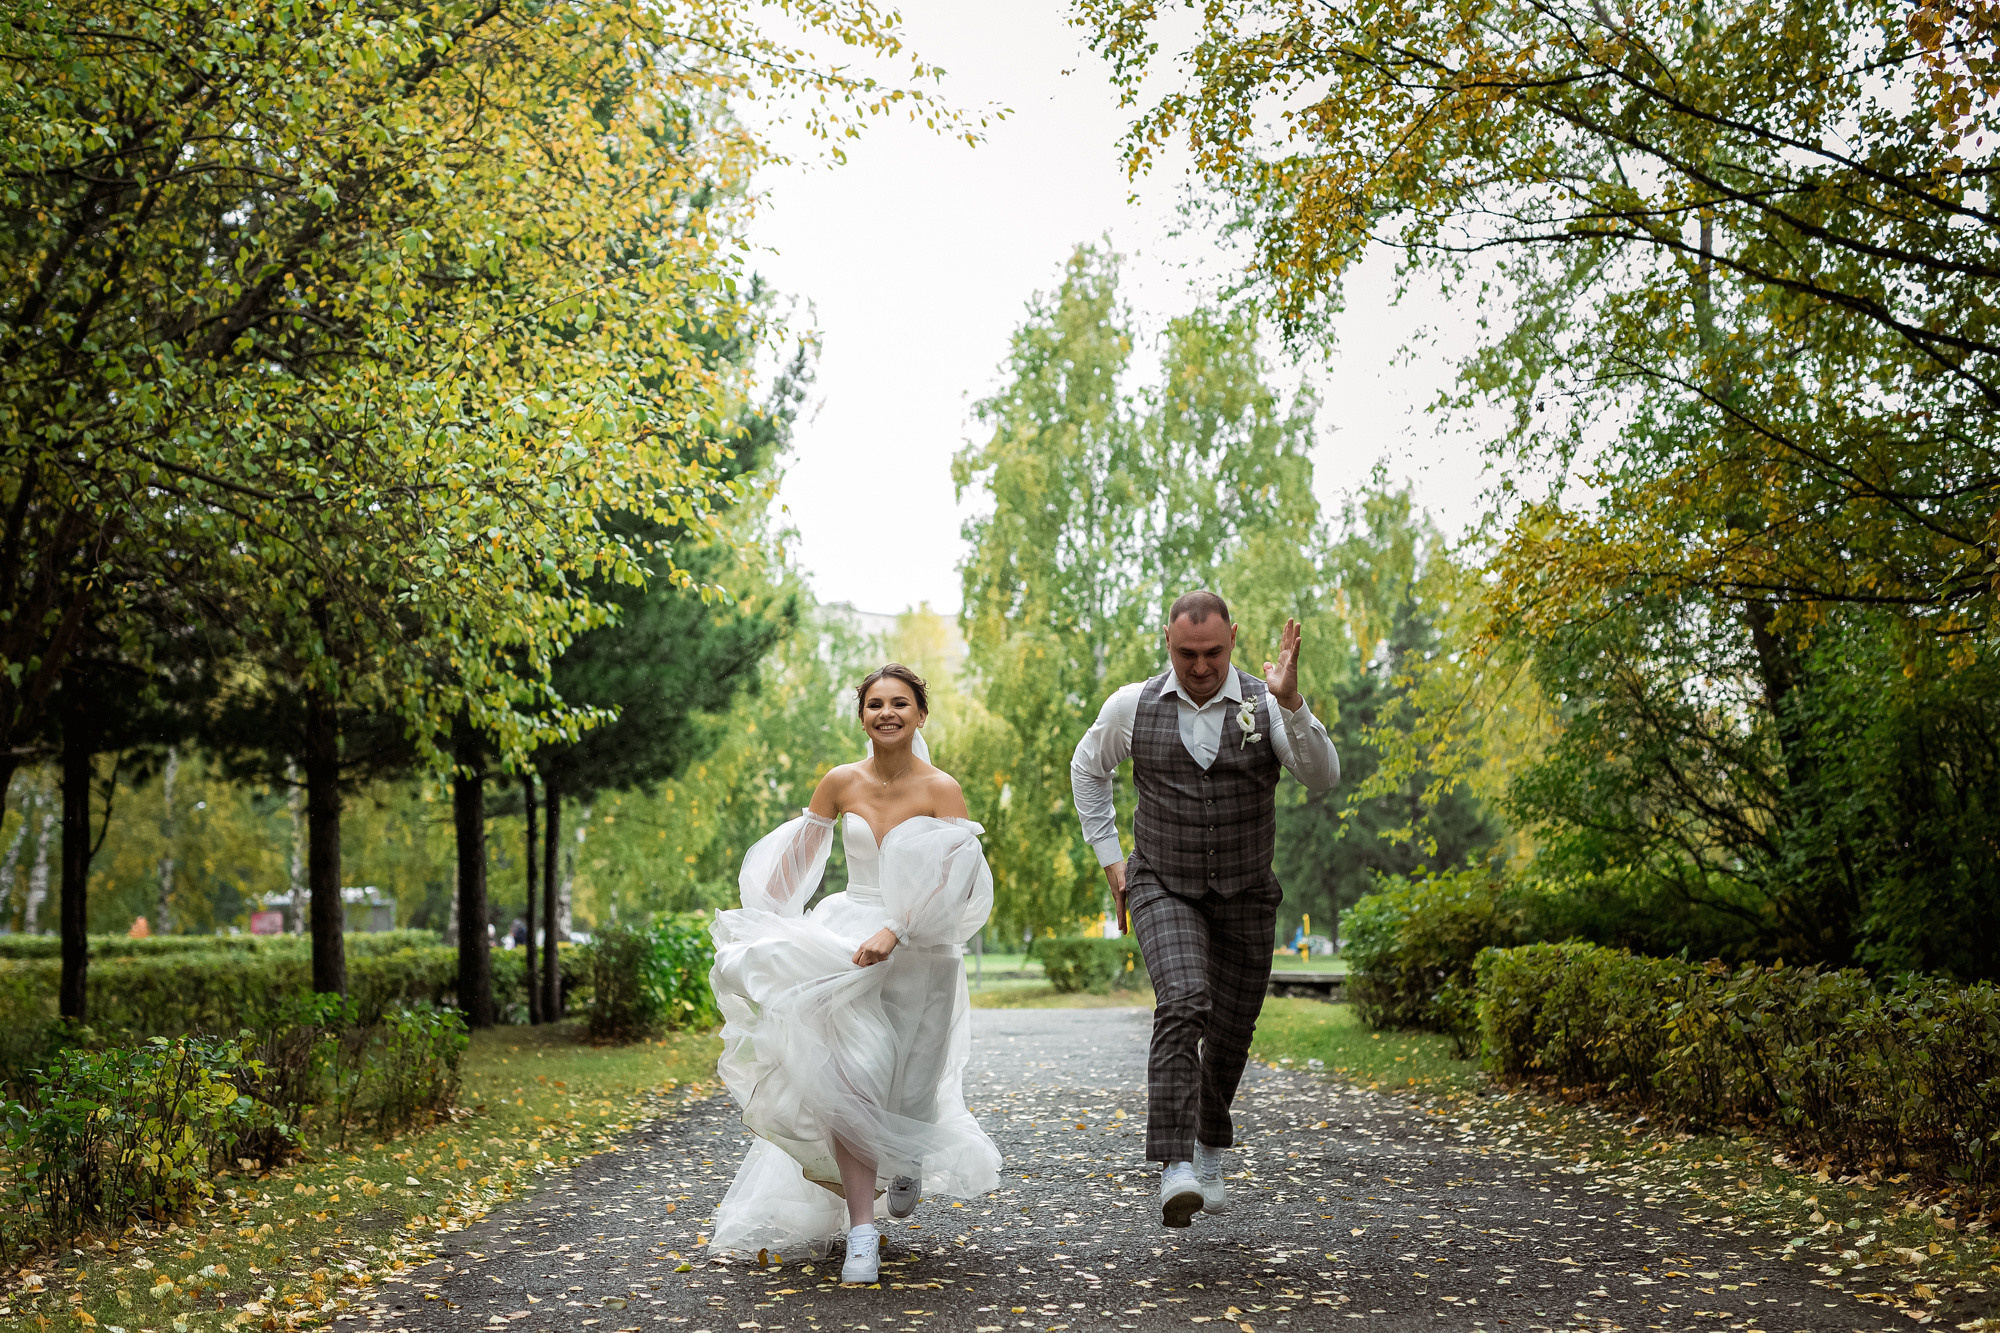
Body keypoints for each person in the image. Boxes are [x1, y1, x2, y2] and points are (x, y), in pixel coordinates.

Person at [706, 664, 1000, 1282]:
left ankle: (907, 1158)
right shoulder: (840, 783)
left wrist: (899, 930)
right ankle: (862, 1231)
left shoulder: (942, 789)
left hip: (921, 951)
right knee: (852, 1081)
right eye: (875, 704)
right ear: (862, 715)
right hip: (848, 941)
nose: (886, 713)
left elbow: (954, 884)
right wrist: (764, 915)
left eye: (900, 703)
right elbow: (801, 860)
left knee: (911, 1090)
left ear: (921, 714)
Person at [1070, 591, 1340, 1228]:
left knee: (1231, 1030)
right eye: (1186, 653)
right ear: (1167, 641)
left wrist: (1293, 704)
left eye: (1213, 652)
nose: (1199, 666)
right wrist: (1112, 858)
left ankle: (1208, 1148)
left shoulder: (1266, 704)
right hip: (1163, 880)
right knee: (1185, 1000)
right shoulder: (1130, 705)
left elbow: (1323, 777)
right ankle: (1174, 1164)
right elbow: (1088, 769)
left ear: (1234, 640)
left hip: (1246, 889)